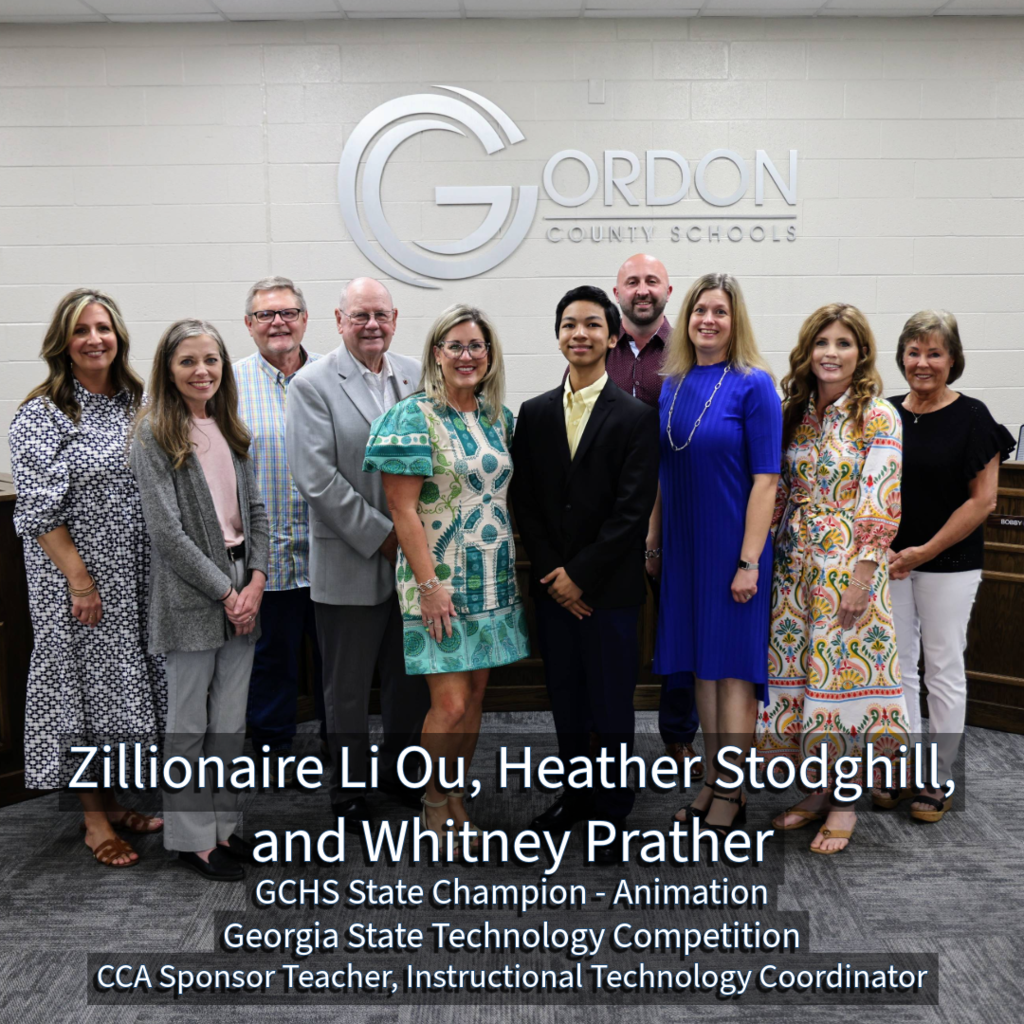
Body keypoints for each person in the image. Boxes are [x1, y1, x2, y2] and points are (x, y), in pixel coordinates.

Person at [9, 288, 166, 868]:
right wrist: (79, 579)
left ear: (118, 335)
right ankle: (93, 819)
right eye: (81, 331)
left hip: (138, 575)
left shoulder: (138, 401)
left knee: (125, 690)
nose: (95, 339)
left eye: (103, 327)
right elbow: (38, 513)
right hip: (76, 580)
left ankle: (117, 799)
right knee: (80, 695)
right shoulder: (43, 414)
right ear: (63, 344)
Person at [365, 303, 529, 851]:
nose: (466, 355)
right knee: (450, 703)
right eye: (454, 345)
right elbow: (402, 509)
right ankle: (433, 802)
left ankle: (457, 796)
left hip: (494, 579)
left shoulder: (496, 417)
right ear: (436, 352)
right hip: (438, 582)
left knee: (477, 697)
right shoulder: (412, 416)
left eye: (476, 346)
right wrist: (431, 585)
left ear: (490, 355)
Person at [512, 286, 658, 864]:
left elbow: (631, 511)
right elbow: (527, 502)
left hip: (610, 594)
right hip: (553, 591)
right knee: (568, 701)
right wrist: (554, 574)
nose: (581, 334)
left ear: (613, 335)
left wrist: (581, 577)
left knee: (611, 706)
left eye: (593, 325)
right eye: (569, 324)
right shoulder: (535, 412)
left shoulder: (636, 416)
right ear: (557, 336)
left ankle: (613, 814)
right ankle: (574, 797)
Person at [758, 303, 907, 854]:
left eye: (844, 343)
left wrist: (864, 573)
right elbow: (778, 489)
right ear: (807, 350)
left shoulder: (877, 414)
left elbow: (881, 493)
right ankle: (816, 793)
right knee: (800, 680)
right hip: (795, 565)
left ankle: (844, 805)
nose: (831, 353)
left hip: (848, 563)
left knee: (843, 682)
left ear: (861, 352)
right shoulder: (793, 409)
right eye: (822, 342)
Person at [286, 278, 430, 828]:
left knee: (408, 679)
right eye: (360, 315)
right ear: (339, 319)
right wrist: (388, 536)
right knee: (345, 689)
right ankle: (346, 790)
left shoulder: (418, 374)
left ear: (395, 318)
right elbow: (317, 481)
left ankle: (401, 774)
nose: (372, 325)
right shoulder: (312, 384)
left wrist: (419, 543)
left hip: (415, 563)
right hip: (352, 558)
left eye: (381, 315)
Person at [131, 318, 269, 881]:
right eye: (188, 361)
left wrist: (256, 580)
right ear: (169, 369)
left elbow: (256, 512)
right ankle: (192, 839)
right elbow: (166, 534)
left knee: (230, 722)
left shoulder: (230, 427)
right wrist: (226, 590)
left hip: (244, 586)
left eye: (211, 359)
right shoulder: (153, 433)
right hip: (193, 591)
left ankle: (223, 826)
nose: (201, 370)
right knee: (189, 723)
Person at [647, 273, 781, 836]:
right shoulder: (672, 382)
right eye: (700, 309)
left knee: (732, 674)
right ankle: (710, 782)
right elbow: (664, 471)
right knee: (701, 669)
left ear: (735, 320)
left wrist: (749, 561)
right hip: (683, 546)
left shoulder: (755, 384)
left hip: (733, 548)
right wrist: (654, 539)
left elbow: (767, 481)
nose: (708, 319)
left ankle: (733, 791)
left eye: (720, 312)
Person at [887, 310, 1014, 822]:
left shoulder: (974, 417)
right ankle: (899, 766)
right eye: (914, 353)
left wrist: (926, 550)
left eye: (934, 353)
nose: (922, 363)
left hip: (950, 563)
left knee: (942, 668)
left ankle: (938, 777)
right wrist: (894, 554)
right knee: (894, 668)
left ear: (953, 360)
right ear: (901, 357)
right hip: (889, 563)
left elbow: (982, 502)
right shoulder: (884, 411)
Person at [610, 253, 701, 777]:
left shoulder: (689, 355)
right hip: (612, 521)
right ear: (617, 291)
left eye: (651, 282)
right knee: (614, 636)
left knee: (679, 631)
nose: (642, 290)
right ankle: (610, 739)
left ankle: (678, 737)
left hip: (679, 515)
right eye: (632, 282)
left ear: (669, 290)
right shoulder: (598, 347)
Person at [235, 276, 325, 773]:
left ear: (305, 320)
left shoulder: (334, 377)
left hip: (332, 555)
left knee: (338, 664)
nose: (278, 323)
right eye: (266, 315)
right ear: (249, 326)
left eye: (288, 312)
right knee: (268, 662)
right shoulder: (227, 384)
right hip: (262, 562)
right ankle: (271, 757)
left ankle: (346, 751)